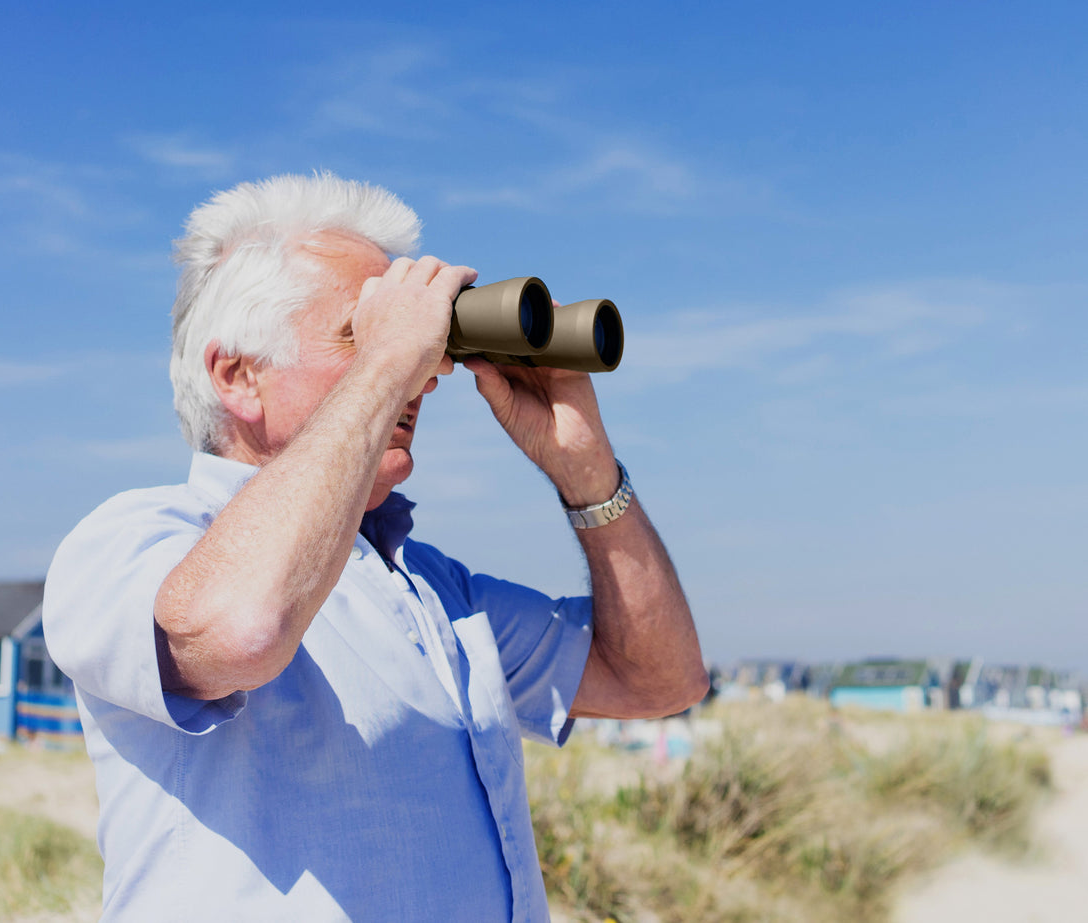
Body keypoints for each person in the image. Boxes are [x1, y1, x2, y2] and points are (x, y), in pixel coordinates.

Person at [43, 173, 707, 921]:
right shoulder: (130, 544)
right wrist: (387, 364)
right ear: (237, 376)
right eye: (359, 335)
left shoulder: (435, 591)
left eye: (425, 348)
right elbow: (241, 628)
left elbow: (659, 680)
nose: (425, 375)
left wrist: (584, 469)